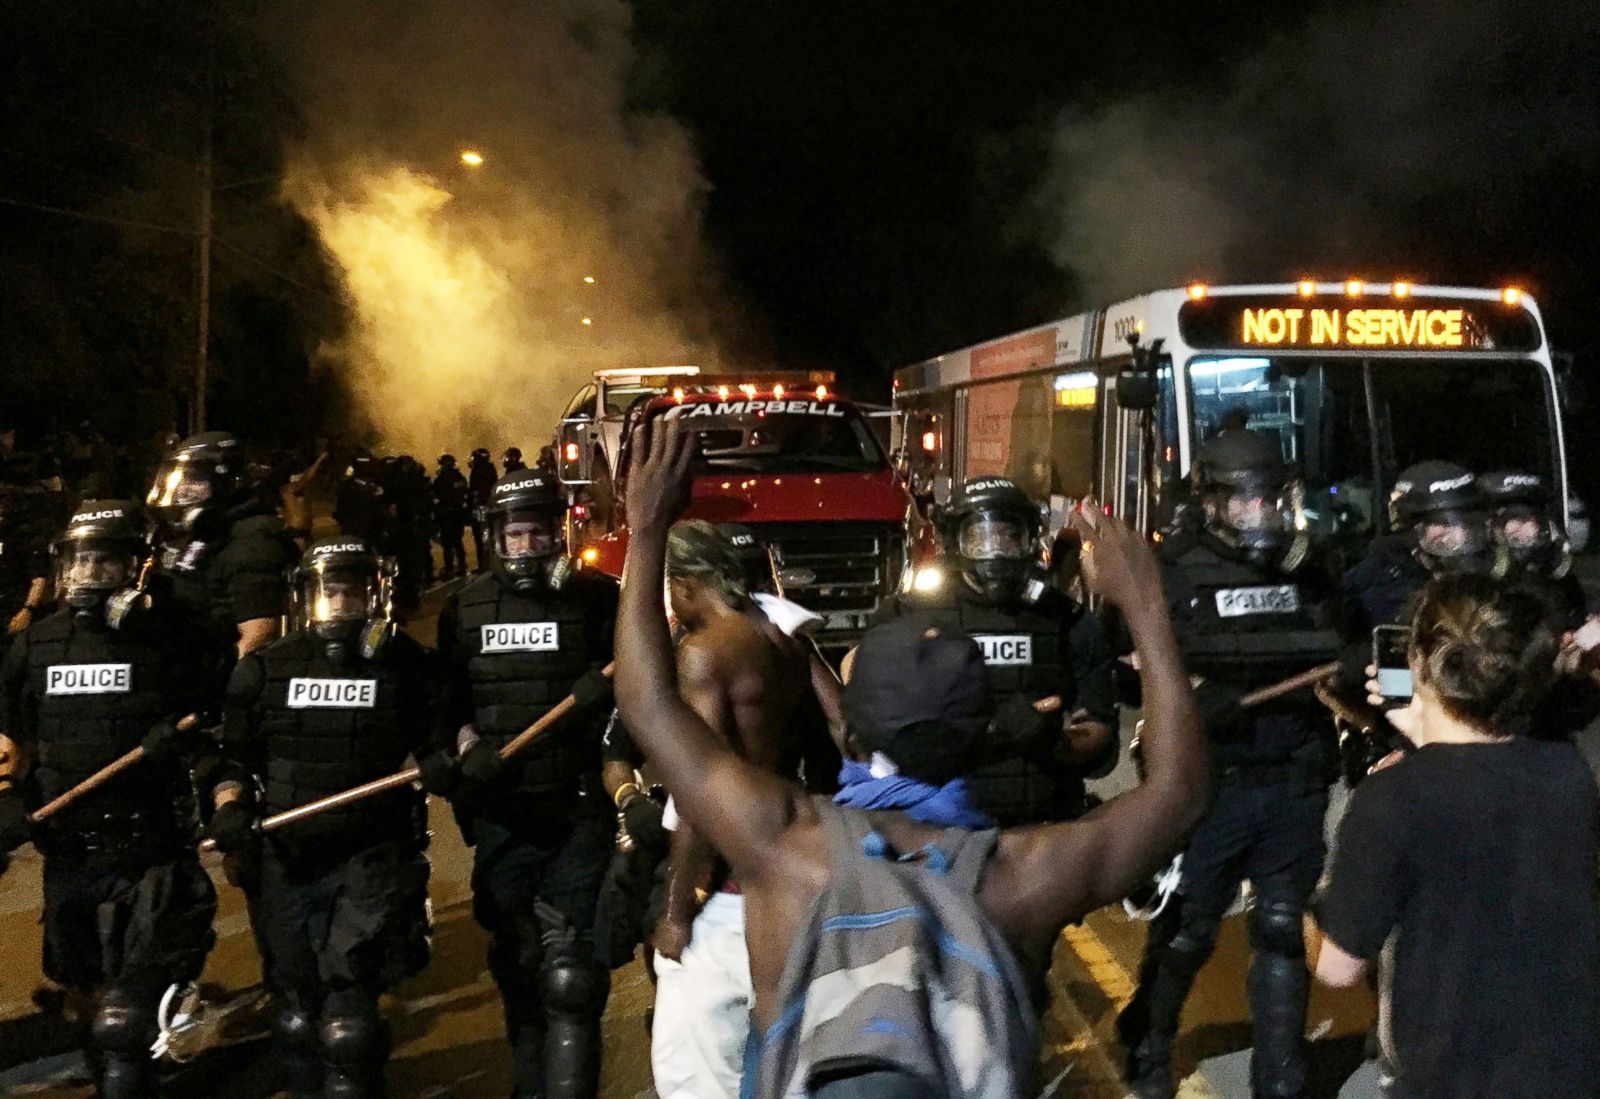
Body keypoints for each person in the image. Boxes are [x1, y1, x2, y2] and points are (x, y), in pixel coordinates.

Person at [614, 419, 1208, 1099]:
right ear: (974, 730)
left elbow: (648, 702)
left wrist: (647, 524)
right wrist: (1146, 606)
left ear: (856, 734)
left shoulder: (783, 845)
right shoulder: (1020, 874)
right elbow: (1180, 789)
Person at [1314, 574, 1599, 1098]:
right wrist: (1425, 733)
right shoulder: (1567, 771)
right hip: (1569, 1067)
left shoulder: (1394, 798)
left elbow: (1337, 968)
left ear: (1421, 662)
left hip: (1452, 1077)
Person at [1119, 428, 1341, 1099]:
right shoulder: (1176, 572)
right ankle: (1150, 1040)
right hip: (1211, 787)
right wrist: (1183, 702)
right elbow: (1126, 663)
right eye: (1243, 501)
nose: (1259, 512)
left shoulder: (1308, 569)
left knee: (1280, 931)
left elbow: (1349, 642)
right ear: (1211, 503)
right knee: (1188, 931)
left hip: (1293, 777)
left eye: (1269, 498)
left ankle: (1279, 1076)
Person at [0, 501, 216, 1099]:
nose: (89, 575)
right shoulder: (34, 646)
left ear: (136, 569)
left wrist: (186, 741)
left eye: (105, 562)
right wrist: (10, 804)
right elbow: (11, 744)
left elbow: (224, 716)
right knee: (90, 1008)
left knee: (126, 1016)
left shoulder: (173, 639)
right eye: (79, 561)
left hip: (152, 849)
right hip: (70, 853)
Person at [206, 537, 435, 1098]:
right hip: (288, 857)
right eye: (328, 593)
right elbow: (230, 760)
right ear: (305, 598)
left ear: (373, 596)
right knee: (296, 1011)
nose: (339, 605)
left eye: (351, 593)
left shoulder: (407, 666)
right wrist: (229, 806)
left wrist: (448, 760)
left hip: (372, 854)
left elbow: (437, 740)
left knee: (347, 1020)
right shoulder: (264, 672)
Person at [418, 467, 617, 1099]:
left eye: (537, 534)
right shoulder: (464, 609)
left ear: (558, 536)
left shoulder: (596, 600)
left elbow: (639, 708)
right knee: (520, 967)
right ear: (494, 538)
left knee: (571, 977)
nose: (527, 548)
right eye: (514, 536)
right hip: (502, 815)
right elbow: (443, 709)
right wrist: (462, 751)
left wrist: (607, 705)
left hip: (578, 808)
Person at [649, 519, 810, 1099]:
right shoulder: (782, 638)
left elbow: (700, 790)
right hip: (785, 874)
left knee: (696, 1074)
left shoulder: (703, 653)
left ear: (684, 585)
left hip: (724, 889)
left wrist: (676, 908)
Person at [873, 475, 1118, 825]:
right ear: (954, 541)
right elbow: (868, 738)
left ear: (1030, 540)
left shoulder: (1070, 622)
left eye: (1010, 536)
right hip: (936, 831)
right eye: (980, 538)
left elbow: (1100, 734)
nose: (997, 550)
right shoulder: (903, 619)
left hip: (1042, 828)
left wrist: (1055, 742)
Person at [145, 430, 299, 668]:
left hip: (212, 682)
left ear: (226, 482)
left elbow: (259, 634)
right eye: (181, 479)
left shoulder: (253, 540)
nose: (183, 489)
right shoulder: (208, 531)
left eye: (195, 480)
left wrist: (212, 685)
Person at [431, 454, 472, 580]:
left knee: (448, 543)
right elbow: (465, 493)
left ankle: (450, 568)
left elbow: (436, 497)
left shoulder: (441, 479)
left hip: (446, 515)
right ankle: (461, 566)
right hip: (457, 514)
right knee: (457, 541)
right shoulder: (459, 477)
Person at [468, 447, 499, 571]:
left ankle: (484, 563)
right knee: (487, 535)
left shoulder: (479, 471)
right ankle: (488, 562)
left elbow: (478, 491)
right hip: (488, 506)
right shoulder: (490, 469)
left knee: (481, 536)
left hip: (482, 508)